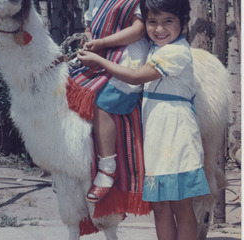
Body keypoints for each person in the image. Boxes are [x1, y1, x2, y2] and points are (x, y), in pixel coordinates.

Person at [77, 0, 211, 239]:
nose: (159, 29)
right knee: (160, 208)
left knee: (181, 207)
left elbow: (137, 76)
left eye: (168, 21)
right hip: (157, 141)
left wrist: (99, 61)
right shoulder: (154, 49)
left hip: (176, 138)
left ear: (184, 22)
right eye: (152, 22)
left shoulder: (176, 52)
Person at [68, 0, 148, 203]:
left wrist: (102, 43)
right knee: (65, 90)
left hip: (126, 57)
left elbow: (138, 30)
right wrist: (87, 41)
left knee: (101, 102)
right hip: (97, 54)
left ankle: (107, 169)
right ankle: (73, 164)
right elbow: (89, 28)